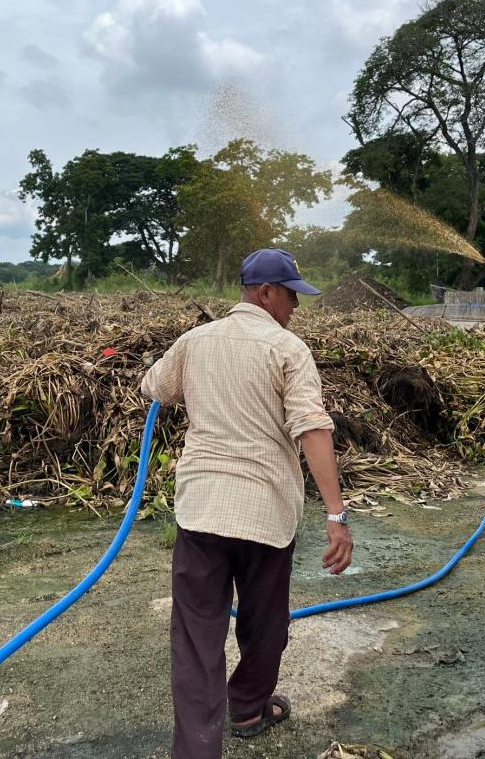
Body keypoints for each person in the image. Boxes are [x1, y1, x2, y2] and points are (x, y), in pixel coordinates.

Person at [140, 247, 354, 759]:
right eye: (292, 296)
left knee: (196, 639)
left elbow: (154, 387)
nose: (296, 308)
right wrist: (335, 515)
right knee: (265, 621)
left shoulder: (195, 341)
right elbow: (312, 428)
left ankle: (196, 750)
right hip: (264, 512)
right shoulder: (287, 349)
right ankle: (249, 708)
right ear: (265, 293)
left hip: (203, 509)